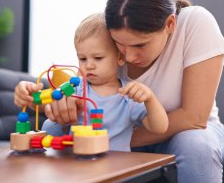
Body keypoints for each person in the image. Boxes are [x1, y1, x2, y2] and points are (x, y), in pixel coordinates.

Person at [39, 0, 224, 183]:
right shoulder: (107, 36)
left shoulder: (195, 23)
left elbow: (193, 118)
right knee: (51, 127)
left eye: (141, 44)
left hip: (188, 132)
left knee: (195, 144)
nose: (129, 56)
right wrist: (59, 105)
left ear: (170, 24)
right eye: (119, 44)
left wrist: (110, 139)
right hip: (122, 130)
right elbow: (81, 86)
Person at [14, 13, 169, 152]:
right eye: (82, 58)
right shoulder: (75, 87)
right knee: (49, 124)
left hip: (117, 166)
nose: (88, 65)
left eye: (98, 58)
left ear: (120, 58)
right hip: (78, 163)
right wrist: (29, 95)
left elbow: (159, 127)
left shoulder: (128, 94)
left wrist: (150, 99)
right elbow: (46, 105)